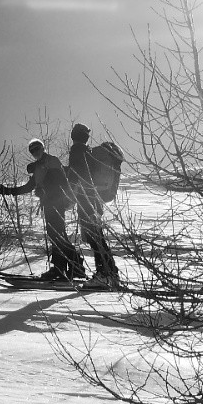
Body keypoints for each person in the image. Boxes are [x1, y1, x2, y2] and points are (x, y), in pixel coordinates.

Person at [0, 139, 84, 281]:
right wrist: (7, 191)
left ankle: (68, 268)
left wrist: (45, 190)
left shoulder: (52, 161)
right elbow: (28, 187)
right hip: (49, 203)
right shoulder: (39, 167)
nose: (35, 152)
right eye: (32, 151)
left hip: (56, 202)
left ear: (42, 148)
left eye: (37, 149)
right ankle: (67, 268)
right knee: (56, 235)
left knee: (57, 235)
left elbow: (60, 181)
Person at [65, 123, 119, 287]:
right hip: (94, 198)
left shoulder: (77, 151)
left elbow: (76, 174)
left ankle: (105, 274)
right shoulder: (89, 152)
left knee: (94, 235)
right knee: (97, 235)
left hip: (85, 198)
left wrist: (68, 195)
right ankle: (110, 272)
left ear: (73, 136)